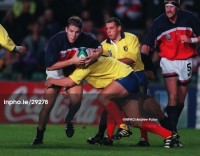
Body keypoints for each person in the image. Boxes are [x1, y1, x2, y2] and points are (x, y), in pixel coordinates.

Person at [45, 55, 181, 148]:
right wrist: (65, 87)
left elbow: (70, 80)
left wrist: (51, 81)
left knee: (103, 98)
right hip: (129, 79)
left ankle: (122, 127)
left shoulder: (82, 67)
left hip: (126, 78)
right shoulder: (87, 58)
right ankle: (169, 135)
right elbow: (72, 81)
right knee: (135, 120)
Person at [87, 17, 169, 146]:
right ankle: (109, 137)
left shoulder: (131, 38)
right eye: (107, 28)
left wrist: (110, 64)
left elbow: (131, 59)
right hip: (119, 79)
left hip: (137, 77)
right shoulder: (103, 45)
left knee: (140, 111)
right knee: (111, 104)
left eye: (111, 28)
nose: (108, 31)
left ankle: (145, 138)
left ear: (119, 28)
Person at [32, 16, 102, 145]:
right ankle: (39, 137)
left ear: (80, 32)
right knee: (47, 107)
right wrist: (72, 61)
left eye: (76, 32)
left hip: (72, 75)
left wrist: (95, 55)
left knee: (76, 102)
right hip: (55, 75)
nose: (74, 35)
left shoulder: (85, 38)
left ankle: (69, 120)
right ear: (66, 29)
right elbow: (49, 65)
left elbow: (100, 47)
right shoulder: (56, 40)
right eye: (71, 31)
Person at [141, 0, 200, 141]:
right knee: (172, 96)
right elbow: (146, 45)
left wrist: (191, 40)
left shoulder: (189, 17)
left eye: (171, 6)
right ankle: (172, 134)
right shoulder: (159, 22)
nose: (168, 9)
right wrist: (144, 60)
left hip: (186, 61)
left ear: (177, 7)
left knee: (180, 101)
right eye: (166, 6)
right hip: (168, 61)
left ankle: (169, 123)